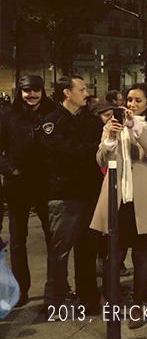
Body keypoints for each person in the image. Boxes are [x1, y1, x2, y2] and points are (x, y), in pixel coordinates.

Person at [90, 83, 147, 329]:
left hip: (143, 200)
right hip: (118, 199)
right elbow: (100, 160)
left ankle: (138, 305)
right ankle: (111, 300)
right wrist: (110, 138)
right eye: (129, 100)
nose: (131, 104)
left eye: (137, 100)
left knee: (142, 254)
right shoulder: (112, 125)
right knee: (115, 254)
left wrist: (135, 127)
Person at [40, 75, 103, 314]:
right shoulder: (51, 122)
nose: (86, 93)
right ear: (67, 93)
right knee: (60, 250)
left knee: (88, 250)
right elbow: (63, 151)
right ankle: (55, 301)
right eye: (82, 89)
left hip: (90, 192)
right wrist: (89, 149)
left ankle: (89, 297)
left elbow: (100, 146)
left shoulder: (91, 120)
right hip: (64, 195)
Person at [0, 76, 56, 307]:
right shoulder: (8, 115)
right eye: (26, 91)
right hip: (18, 185)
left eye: (35, 90)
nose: (31, 95)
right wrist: (9, 168)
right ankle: (21, 289)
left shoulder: (53, 113)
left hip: (47, 184)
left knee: (54, 238)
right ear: (20, 92)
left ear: (42, 91)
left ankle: (57, 286)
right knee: (17, 241)